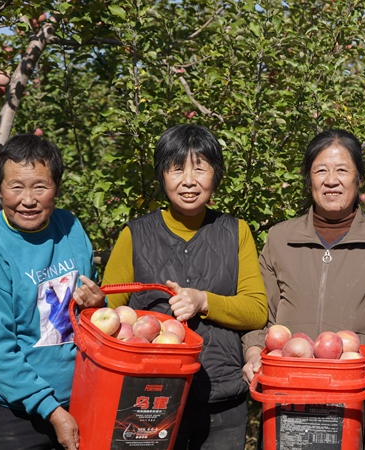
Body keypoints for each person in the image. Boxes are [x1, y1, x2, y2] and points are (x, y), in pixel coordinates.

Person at [74, 124, 267, 450]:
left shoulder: (236, 232)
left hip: (220, 398)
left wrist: (204, 301)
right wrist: (94, 307)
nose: (188, 180)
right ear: (162, 175)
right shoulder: (134, 236)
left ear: (215, 175)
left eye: (200, 168)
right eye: (177, 168)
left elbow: (256, 311)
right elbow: (111, 322)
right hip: (147, 399)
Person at [241, 129, 365, 450]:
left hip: (358, 406)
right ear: (309, 179)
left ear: (359, 179)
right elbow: (259, 314)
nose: (331, 180)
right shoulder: (279, 239)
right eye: (321, 170)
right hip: (285, 403)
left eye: (342, 170)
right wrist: (252, 353)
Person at [0, 134, 101, 450]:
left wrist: (98, 303)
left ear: (57, 189)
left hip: (76, 400)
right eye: (16, 187)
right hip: (10, 413)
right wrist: (51, 410)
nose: (28, 199)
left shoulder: (71, 228)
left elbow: (87, 307)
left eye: (40, 186)